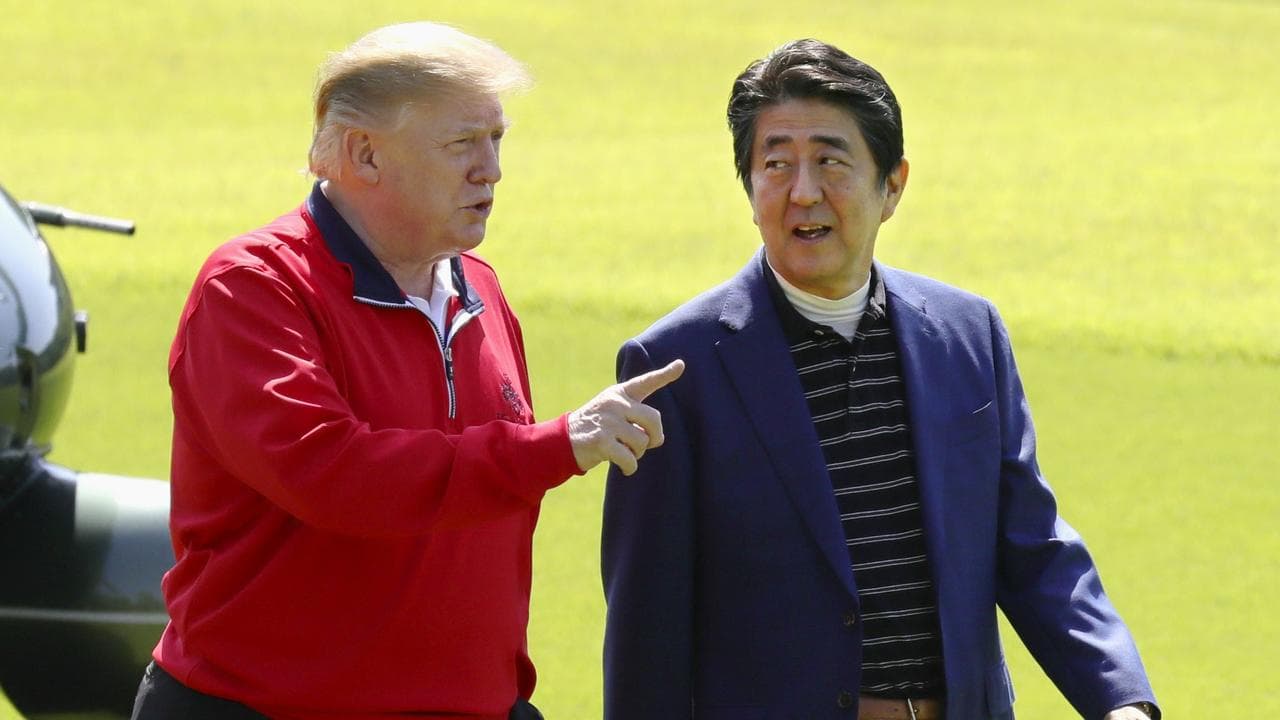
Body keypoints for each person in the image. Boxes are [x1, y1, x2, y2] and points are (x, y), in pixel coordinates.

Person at [130, 22, 681, 720]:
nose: (492, 169)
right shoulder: (252, 288)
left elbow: (487, 531)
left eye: (496, 139)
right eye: (461, 144)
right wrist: (557, 444)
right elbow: (334, 474)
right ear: (365, 154)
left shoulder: (481, 290)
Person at [601, 39, 1159, 720]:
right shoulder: (675, 368)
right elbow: (646, 628)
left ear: (892, 186)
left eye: (831, 162)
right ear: (748, 189)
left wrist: (1119, 699)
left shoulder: (967, 335)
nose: (802, 192)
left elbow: (1032, 547)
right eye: (775, 164)